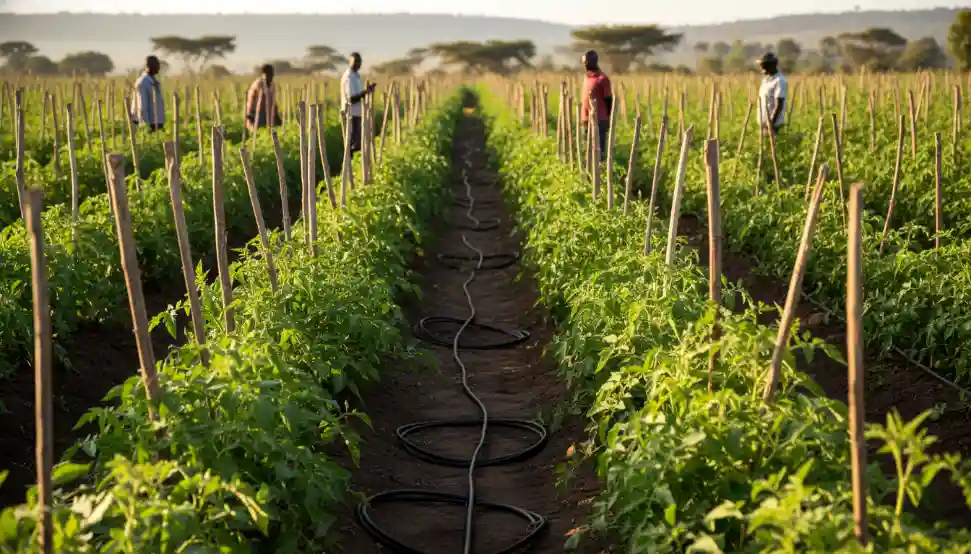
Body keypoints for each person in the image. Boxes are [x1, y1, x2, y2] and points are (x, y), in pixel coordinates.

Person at [340, 52, 376, 154]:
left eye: (359, 61)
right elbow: (351, 99)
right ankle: (349, 166)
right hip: (351, 115)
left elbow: (358, 94)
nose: (358, 64)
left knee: (357, 143)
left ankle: (352, 165)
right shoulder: (349, 77)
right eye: (355, 61)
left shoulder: (356, 76)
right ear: (349, 62)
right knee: (353, 145)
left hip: (357, 113)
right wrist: (366, 92)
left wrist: (366, 91)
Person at [580, 50, 612, 162]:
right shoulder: (586, 79)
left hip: (599, 120)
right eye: (584, 63)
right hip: (586, 120)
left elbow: (609, 100)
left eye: (587, 62)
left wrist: (607, 118)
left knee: (599, 152)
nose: (585, 65)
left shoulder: (602, 79)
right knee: (587, 152)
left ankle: (600, 173)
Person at [131, 55, 164, 132]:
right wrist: (145, 125)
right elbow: (142, 105)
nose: (158, 68)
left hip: (156, 120)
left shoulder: (154, 80)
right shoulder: (143, 82)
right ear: (148, 66)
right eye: (156, 65)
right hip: (149, 122)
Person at [758, 52, 788, 136]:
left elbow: (779, 104)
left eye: (764, 66)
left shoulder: (779, 81)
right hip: (764, 125)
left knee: (774, 147)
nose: (762, 69)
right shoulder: (765, 80)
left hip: (774, 125)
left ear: (772, 65)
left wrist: (771, 123)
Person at [245, 64, 282, 132]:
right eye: (269, 74)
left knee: (269, 130)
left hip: (265, 112)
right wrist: (251, 116)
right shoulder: (259, 83)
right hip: (255, 112)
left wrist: (276, 114)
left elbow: (272, 100)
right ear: (264, 74)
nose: (272, 76)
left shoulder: (272, 84)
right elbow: (259, 100)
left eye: (272, 74)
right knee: (258, 131)